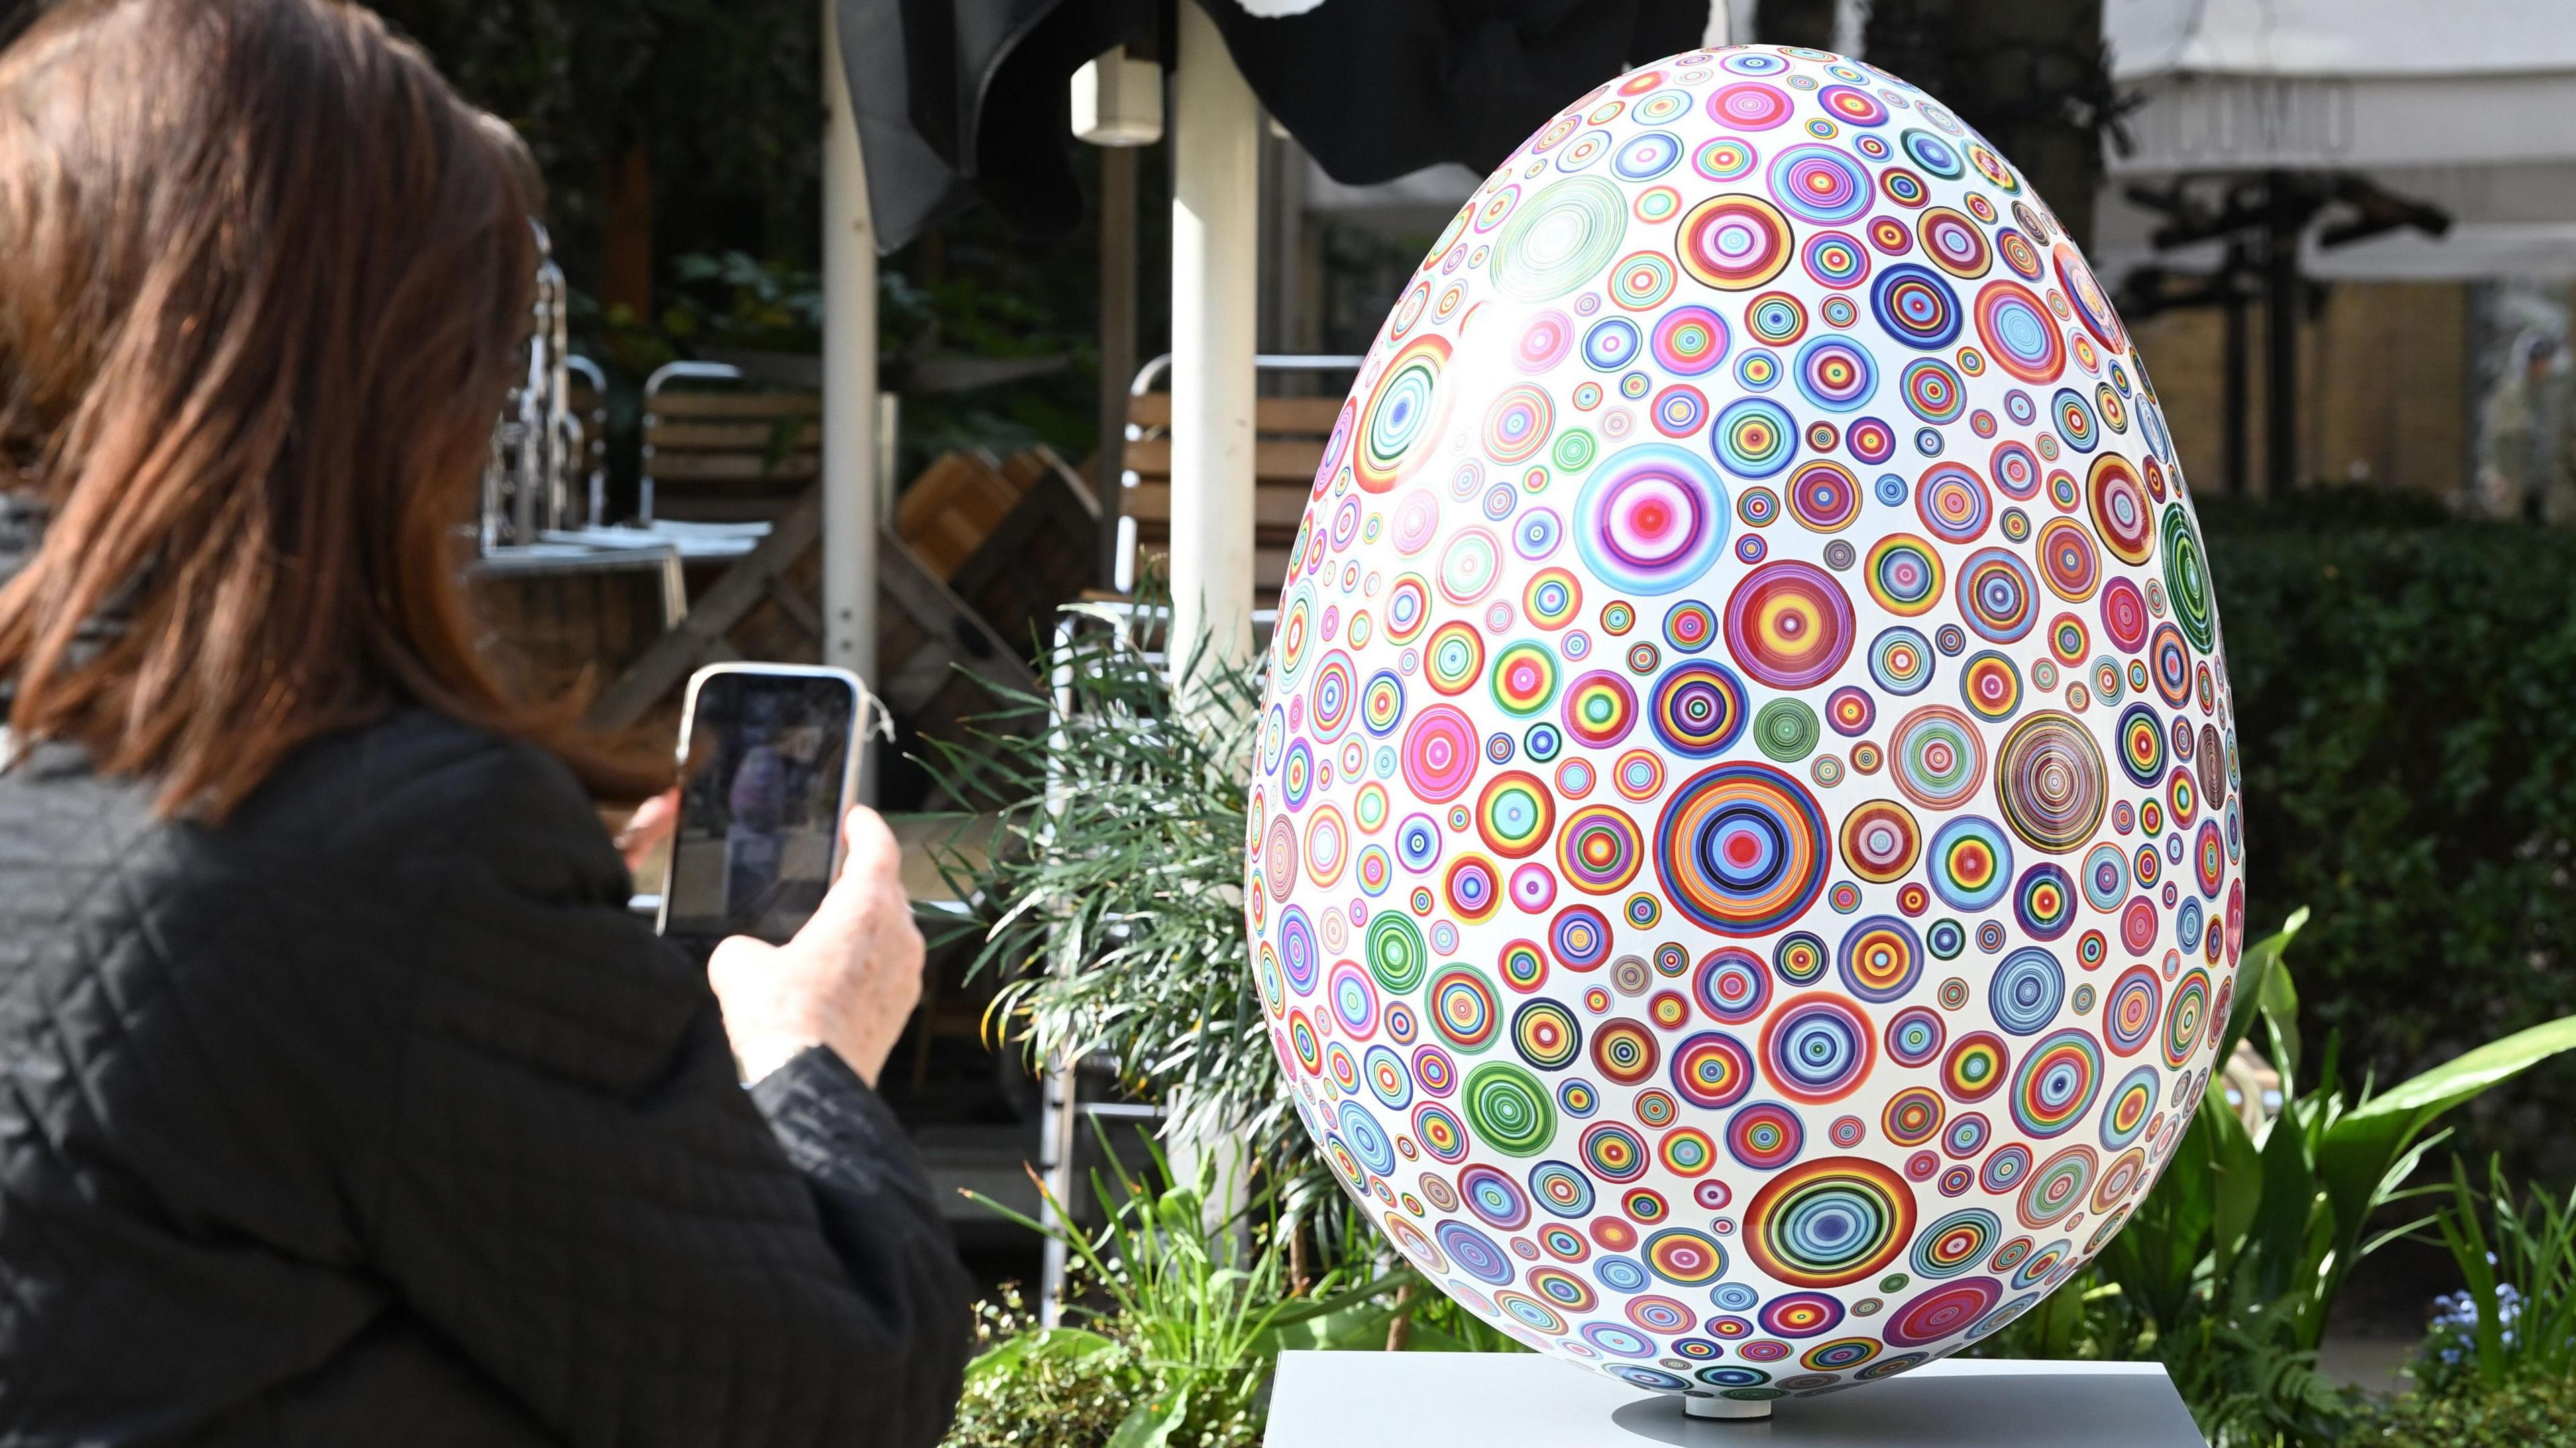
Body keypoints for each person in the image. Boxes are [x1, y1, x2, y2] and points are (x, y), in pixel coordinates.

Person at [0, 1, 972, 1443]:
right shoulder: (388, 861)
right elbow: (824, 1386)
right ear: (395, 381)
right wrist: (808, 1049)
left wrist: (520, 944)